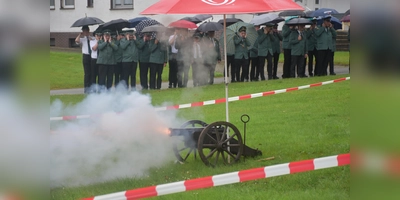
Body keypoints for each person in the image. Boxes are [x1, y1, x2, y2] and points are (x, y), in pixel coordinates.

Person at [75, 25, 92, 94]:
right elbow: (77, 40)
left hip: (92, 56)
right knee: (87, 73)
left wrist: (90, 37)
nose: (85, 32)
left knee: (92, 73)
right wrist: (80, 35)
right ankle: (86, 88)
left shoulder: (92, 38)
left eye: (86, 31)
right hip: (86, 56)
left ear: (88, 31)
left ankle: (91, 87)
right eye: (83, 31)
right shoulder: (82, 39)